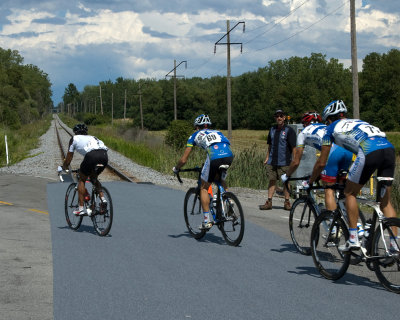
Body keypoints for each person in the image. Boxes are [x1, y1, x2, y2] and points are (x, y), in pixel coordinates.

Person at [307, 100, 397, 252]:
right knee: (385, 203)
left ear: (329, 119)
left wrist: (311, 180)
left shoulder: (330, 129)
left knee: (349, 192)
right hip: (389, 149)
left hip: (369, 150)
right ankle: (394, 247)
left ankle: (353, 239)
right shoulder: (359, 122)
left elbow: (322, 162)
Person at [281, 111, 353, 211]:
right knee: (341, 187)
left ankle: (332, 221)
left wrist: (287, 175)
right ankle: (346, 218)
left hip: (332, 153)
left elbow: (296, 161)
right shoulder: (326, 126)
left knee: (329, 188)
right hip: (347, 151)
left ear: (305, 123)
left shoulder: (303, 133)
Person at [173, 114, 234, 230]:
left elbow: (184, 159)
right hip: (229, 155)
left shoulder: (194, 135)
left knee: (204, 188)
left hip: (214, 156)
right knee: (219, 179)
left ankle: (206, 221)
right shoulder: (218, 132)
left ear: (197, 127)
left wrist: (176, 168)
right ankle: (228, 201)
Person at [58, 123, 109, 216]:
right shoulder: (93, 137)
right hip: (104, 155)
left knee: (82, 179)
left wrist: (64, 167)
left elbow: (69, 157)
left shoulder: (74, 139)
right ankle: (103, 199)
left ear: (75, 132)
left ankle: (81, 209)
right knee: (94, 178)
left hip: (92, 156)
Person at [259, 109, 296, 211]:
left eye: (281, 116)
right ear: (275, 118)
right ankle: (269, 201)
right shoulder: (272, 130)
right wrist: (267, 157)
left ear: (284, 118)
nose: (279, 118)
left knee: (286, 182)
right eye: (277, 116)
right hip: (272, 161)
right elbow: (270, 145)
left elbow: (293, 147)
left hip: (284, 161)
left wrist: (295, 160)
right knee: (272, 181)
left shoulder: (289, 131)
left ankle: (287, 202)